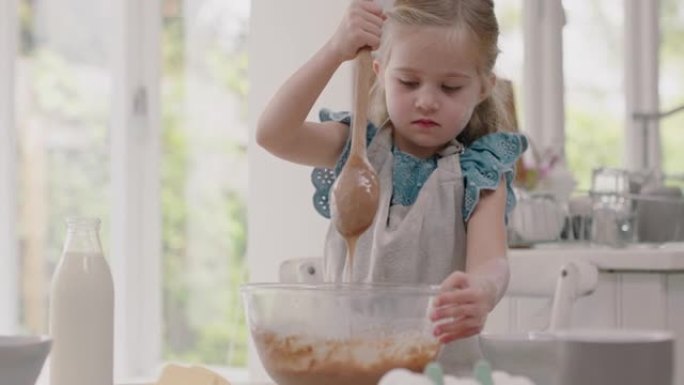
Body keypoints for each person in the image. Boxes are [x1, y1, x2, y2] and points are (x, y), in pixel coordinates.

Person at [256, 0, 528, 375]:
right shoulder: (355, 149)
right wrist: (335, 50)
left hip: (441, 372)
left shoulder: (480, 171)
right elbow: (273, 134)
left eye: (450, 87)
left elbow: (491, 261)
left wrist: (482, 290)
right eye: (408, 82)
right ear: (379, 73)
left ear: (483, 87)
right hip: (349, 367)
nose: (427, 100)